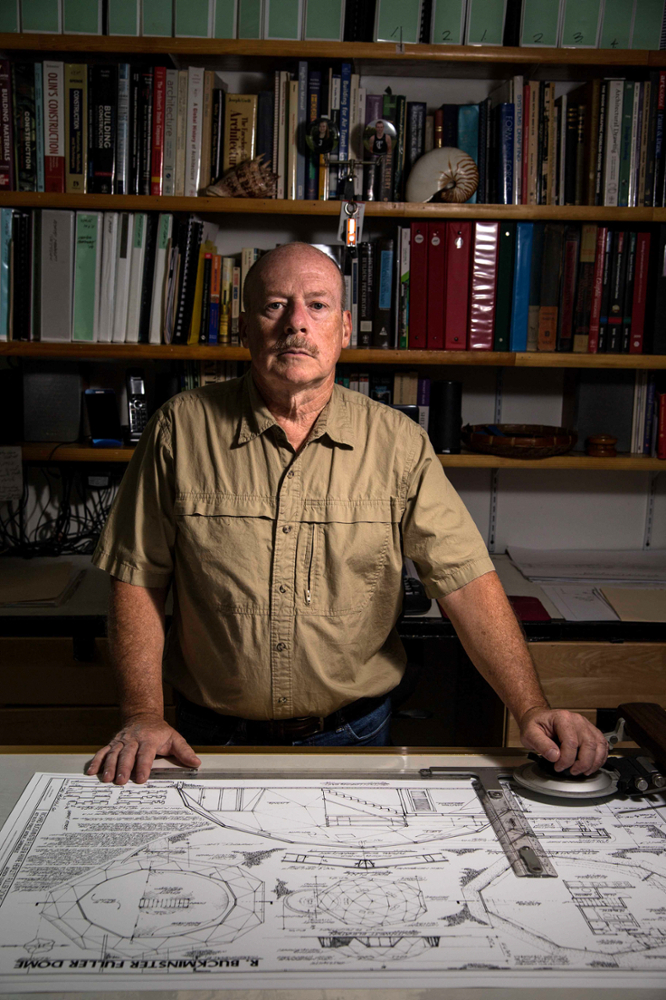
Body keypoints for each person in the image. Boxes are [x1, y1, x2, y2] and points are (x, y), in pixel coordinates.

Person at [88, 242, 609, 786]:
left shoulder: (399, 444)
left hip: (354, 737)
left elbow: (465, 582)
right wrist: (143, 715)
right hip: (207, 739)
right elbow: (137, 578)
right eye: (273, 306)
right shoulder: (179, 429)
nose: (295, 324)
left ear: (343, 328)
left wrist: (530, 708)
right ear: (244, 328)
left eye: (316, 306)